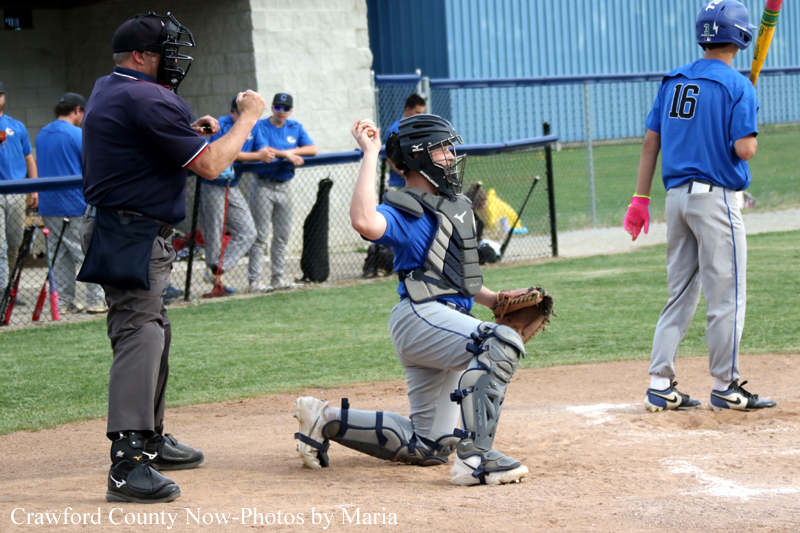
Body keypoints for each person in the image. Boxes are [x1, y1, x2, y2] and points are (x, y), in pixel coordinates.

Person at [79, 12, 266, 503]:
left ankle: (152, 439)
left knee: (154, 329)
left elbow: (148, 138)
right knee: (138, 334)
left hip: (125, 227)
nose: (175, 60)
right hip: (132, 232)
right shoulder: (147, 95)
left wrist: (189, 127)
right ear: (140, 57)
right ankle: (127, 462)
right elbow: (210, 164)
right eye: (165, 50)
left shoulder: (109, 86)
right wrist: (245, 118)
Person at [294, 115, 529, 486]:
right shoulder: (407, 209)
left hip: (444, 322)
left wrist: (494, 300)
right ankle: (476, 461)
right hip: (420, 317)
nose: (452, 156)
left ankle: (322, 418)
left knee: (430, 446)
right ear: (417, 157)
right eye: (442, 149)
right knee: (499, 342)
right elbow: (364, 221)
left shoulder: (451, 207)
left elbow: (454, 280)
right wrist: (369, 153)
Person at [625, 0, 776, 413]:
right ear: (742, 36)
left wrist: (640, 198)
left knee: (680, 293)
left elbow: (650, 142)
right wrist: (746, 121)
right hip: (716, 202)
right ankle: (726, 386)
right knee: (726, 293)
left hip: (676, 200)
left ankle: (660, 383)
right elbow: (745, 149)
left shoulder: (673, 80)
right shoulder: (738, 86)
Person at [36, 92, 106, 314]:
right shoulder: (77, 134)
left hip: (49, 205)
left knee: (59, 257)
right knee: (88, 254)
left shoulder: (42, 134)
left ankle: (65, 302)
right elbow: (93, 167)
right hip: (75, 204)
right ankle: (96, 301)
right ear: (77, 110)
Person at [246, 93, 316, 292]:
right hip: (262, 184)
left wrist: (293, 153)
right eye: (278, 107)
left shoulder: (295, 127)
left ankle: (278, 278)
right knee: (260, 235)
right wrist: (286, 153)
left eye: (285, 108)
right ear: (272, 108)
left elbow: (311, 149)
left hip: (284, 185)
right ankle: (255, 281)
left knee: (281, 235)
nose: (281, 112)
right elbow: (264, 150)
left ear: (290, 110)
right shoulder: (260, 126)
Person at [198, 95, 261, 295]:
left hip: (231, 185)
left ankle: (217, 271)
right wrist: (258, 156)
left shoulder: (253, 125)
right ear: (233, 112)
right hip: (212, 184)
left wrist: (282, 154)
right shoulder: (217, 125)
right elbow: (221, 152)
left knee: (248, 231)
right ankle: (217, 280)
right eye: (237, 112)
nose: (239, 116)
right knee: (214, 234)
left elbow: (265, 148)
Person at [0, 80, 38, 304]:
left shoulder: (16, 125)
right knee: (0, 246)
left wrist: (34, 188)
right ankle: (1, 291)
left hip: (16, 192)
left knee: (14, 244)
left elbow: (28, 159)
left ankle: (8, 290)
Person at [384, 93, 426, 189]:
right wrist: (408, 176)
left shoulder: (420, 127)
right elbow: (390, 159)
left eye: (422, 113)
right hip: (401, 184)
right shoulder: (395, 130)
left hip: (418, 182)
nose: (420, 116)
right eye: (417, 112)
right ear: (407, 109)